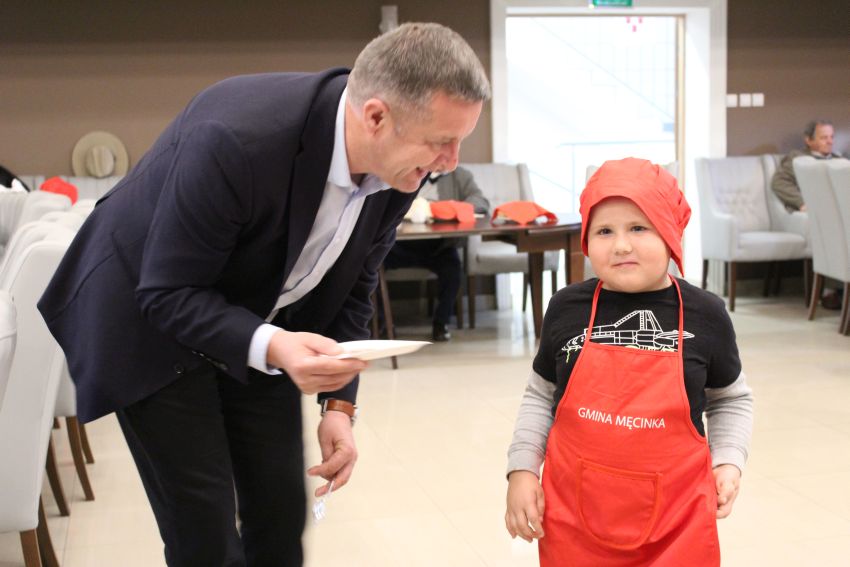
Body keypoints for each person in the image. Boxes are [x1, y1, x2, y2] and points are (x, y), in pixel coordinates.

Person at [38, 23, 489, 567]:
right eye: (441, 141)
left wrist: (339, 407)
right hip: (147, 319)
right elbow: (167, 291)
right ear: (375, 117)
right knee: (205, 533)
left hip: (257, 312)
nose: (451, 161)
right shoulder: (239, 139)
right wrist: (275, 345)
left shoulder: (397, 171)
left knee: (279, 513)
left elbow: (354, 288)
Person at [504, 158, 753, 566]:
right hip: (572, 519)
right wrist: (522, 470)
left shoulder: (705, 315)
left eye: (639, 228)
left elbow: (730, 398)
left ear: (670, 232)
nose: (621, 245)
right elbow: (539, 395)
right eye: (604, 231)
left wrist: (728, 460)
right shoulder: (566, 308)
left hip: (678, 524)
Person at [383, 165, 489, 341]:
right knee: (371, 266)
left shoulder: (459, 175)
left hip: (438, 245)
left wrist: (450, 209)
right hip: (400, 244)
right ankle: (384, 325)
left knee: (453, 269)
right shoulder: (403, 170)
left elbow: (481, 202)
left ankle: (441, 323)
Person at [771, 120, 844, 309]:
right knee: (833, 234)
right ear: (809, 140)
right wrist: (803, 203)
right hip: (806, 216)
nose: (829, 141)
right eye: (824, 137)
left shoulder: (839, 160)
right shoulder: (797, 159)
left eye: (831, 137)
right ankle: (830, 290)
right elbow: (779, 182)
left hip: (840, 215)